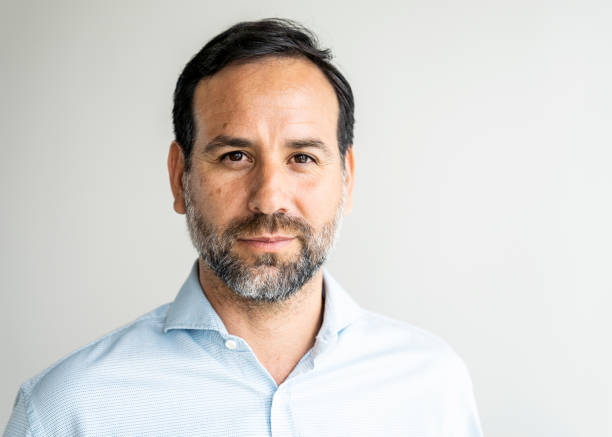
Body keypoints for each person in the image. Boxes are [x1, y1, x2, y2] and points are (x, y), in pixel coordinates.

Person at [4, 18, 483, 436]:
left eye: (302, 157)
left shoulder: (432, 386)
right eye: (235, 156)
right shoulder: (68, 411)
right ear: (179, 176)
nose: (269, 197)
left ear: (347, 178)